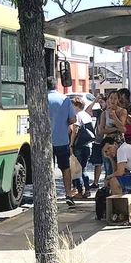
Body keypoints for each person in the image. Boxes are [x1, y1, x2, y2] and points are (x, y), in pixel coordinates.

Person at [46, 77, 78, 206]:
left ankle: (48, 195)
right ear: (56, 86)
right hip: (62, 140)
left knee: (48, 169)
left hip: (45, 143)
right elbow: (73, 119)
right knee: (65, 168)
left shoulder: (41, 98)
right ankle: (68, 194)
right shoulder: (64, 99)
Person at [70, 95, 97, 196]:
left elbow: (75, 131)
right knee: (84, 168)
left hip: (79, 145)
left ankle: (80, 191)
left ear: (76, 105)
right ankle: (88, 190)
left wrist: (71, 145)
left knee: (77, 169)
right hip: (88, 145)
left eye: (72, 105)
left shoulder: (77, 115)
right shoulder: (86, 115)